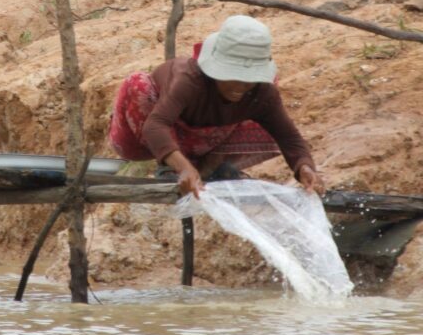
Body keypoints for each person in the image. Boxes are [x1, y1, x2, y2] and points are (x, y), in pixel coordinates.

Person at [108, 14, 325, 199]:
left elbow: (288, 137)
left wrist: (304, 168)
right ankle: (171, 164)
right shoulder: (189, 80)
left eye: (248, 78)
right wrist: (183, 168)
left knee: (264, 113)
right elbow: (155, 126)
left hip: (207, 140)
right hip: (147, 138)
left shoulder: (261, 92)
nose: (241, 86)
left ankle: (211, 166)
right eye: (233, 76)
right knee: (138, 85)